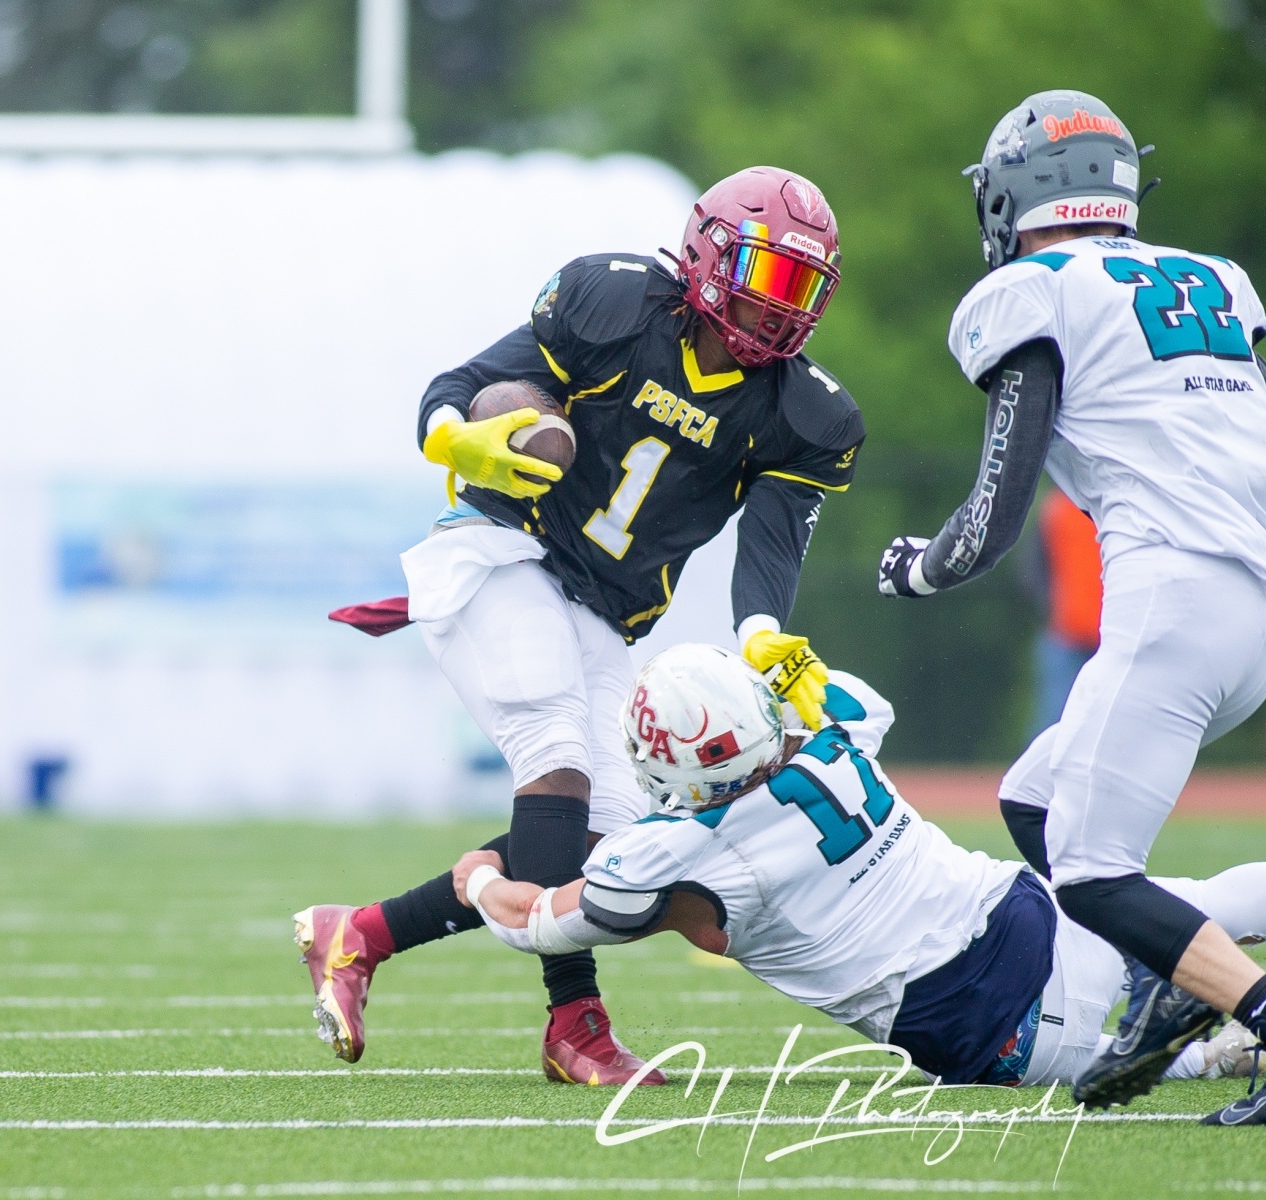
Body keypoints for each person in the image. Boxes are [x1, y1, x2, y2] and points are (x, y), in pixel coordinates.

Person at [874, 90, 1266, 1123]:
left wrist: (922, 568)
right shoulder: (1203, 282)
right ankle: (1161, 985)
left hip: (1171, 607)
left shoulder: (1035, 290)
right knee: (1034, 802)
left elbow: (997, 510)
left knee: (1091, 872)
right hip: (1252, 621)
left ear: (1012, 195)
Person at [293, 166, 865, 1086]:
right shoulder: (617, 304)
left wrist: (762, 635)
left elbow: (771, 546)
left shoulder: (805, 414)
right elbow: (462, 385)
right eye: (766, 274)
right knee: (554, 756)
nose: (777, 305)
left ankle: (360, 934)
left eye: (799, 286)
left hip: (601, 611)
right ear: (709, 257)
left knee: (613, 848)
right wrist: (455, 436)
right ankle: (576, 1025)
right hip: (501, 555)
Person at [453, 644, 1266, 1099]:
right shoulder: (833, 741)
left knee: (1118, 1069)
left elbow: (540, 922)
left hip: (972, 1013)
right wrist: (797, 673)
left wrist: (474, 882)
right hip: (1013, 907)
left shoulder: (680, 848)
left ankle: (1213, 1050)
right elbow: (859, 701)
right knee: (1197, 907)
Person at [1023, 487, 1102, 737]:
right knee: (1055, 720)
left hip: (1107, 636)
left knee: (1059, 722)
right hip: (1069, 634)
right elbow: (1031, 568)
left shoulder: (1056, 507)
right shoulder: (1057, 509)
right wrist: (1053, 605)